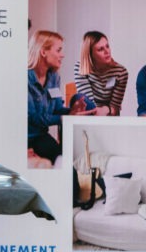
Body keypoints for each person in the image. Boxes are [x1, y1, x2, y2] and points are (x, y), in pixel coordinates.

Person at [27, 30, 95, 166]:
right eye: (58, 50)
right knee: (60, 161)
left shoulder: (54, 77)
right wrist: (65, 117)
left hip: (41, 136)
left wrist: (72, 111)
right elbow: (32, 118)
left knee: (63, 160)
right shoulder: (25, 79)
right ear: (43, 52)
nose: (62, 55)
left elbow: (57, 109)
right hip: (26, 137)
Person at [74, 31, 129, 116]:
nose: (107, 52)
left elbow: (115, 107)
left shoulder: (120, 72)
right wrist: (103, 110)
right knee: (78, 98)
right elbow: (88, 105)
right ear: (90, 54)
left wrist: (106, 110)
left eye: (107, 46)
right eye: (100, 49)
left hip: (109, 116)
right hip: (89, 115)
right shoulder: (80, 67)